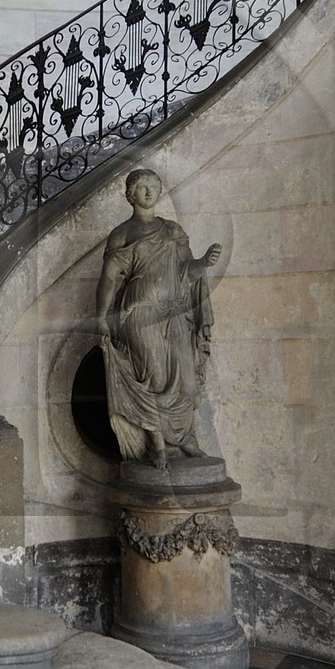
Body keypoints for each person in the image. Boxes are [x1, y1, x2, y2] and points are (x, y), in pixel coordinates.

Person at [96, 169, 222, 466]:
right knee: (152, 376)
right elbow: (108, 280)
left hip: (174, 311)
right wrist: (101, 317)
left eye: (153, 186)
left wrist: (203, 262)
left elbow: (186, 273)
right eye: (142, 187)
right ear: (130, 194)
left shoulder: (172, 231)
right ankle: (157, 445)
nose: (149, 192)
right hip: (139, 314)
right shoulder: (121, 234)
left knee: (186, 380)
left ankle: (184, 438)